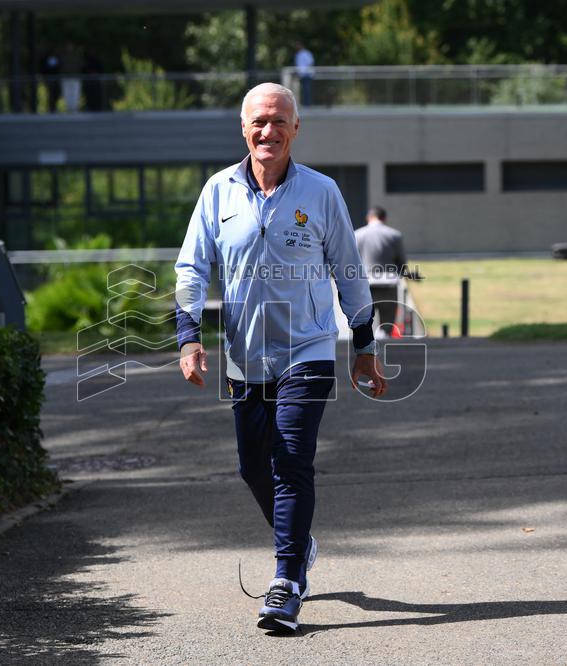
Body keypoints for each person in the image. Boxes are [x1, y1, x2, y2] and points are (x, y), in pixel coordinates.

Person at [174, 82, 387, 634]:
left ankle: (287, 581)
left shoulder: (321, 192)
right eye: (258, 122)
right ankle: (301, 543)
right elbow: (192, 268)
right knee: (253, 465)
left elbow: (348, 270)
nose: (268, 131)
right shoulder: (217, 192)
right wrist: (188, 336)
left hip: (309, 347)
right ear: (243, 128)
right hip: (245, 352)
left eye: (279, 121)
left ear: (296, 129)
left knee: (290, 455)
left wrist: (364, 346)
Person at [354, 206, 409, 336]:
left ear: (368, 218)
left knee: (364, 327)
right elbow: (401, 263)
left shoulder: (357, 235)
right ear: (384, 218)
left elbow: (352, 262)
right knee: (387, 327)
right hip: (388, 285)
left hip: (365, 286)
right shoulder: (394, 235)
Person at [293, 42, 314, 107]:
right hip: (301, 75)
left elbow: (310, 63)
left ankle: (307, 104)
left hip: (307, 74)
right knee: (303, 90)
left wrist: (304, 70)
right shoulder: (297, 54)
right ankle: (304, 103)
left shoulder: (306, 53)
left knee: (306, 89)